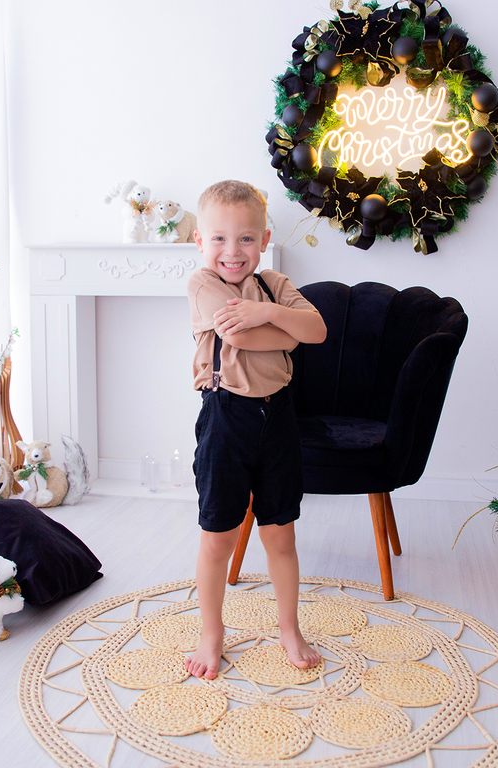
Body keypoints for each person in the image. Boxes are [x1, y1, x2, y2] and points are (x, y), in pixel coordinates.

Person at [183, 180, 327, 680]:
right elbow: (235, 332)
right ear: (200, 242)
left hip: (278, 418)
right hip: (227, 419)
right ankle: (212, 633)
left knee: (280, 535)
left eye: (245, 238)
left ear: (264, 240)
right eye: (219, 238)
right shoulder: (203, 285)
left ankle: (290, 628)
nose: (232, 250)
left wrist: (268, 312)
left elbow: (317, 332)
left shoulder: (275, 287)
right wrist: (284, 332)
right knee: (217, 538)